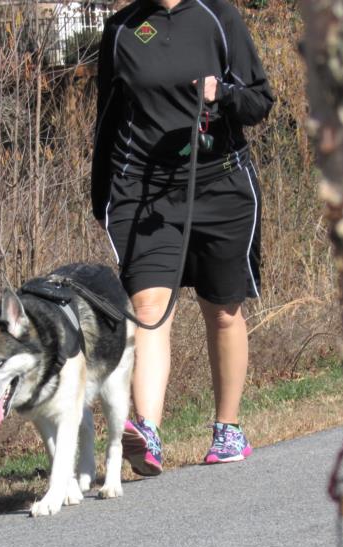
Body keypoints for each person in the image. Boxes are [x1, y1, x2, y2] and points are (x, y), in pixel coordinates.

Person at [91, 0, 274, 476]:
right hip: (145, 193)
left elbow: (260, 100)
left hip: (221, 185)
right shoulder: (122, 30)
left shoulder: (220, 18)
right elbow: (107, 121)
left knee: (223, 310)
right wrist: (103, 198)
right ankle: (147, 431)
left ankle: (228, 428)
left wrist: (225, 93)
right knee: (149, 308)